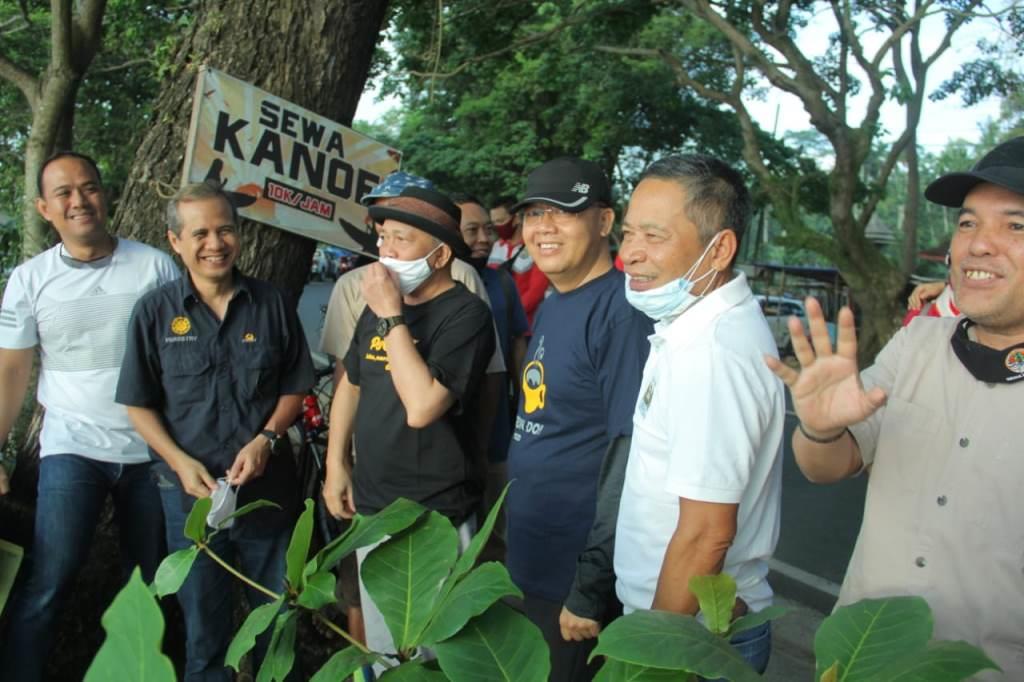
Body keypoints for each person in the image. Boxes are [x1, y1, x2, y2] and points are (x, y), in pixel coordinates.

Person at [765, 136, 1024, 680]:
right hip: (858, 659)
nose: (979, 244)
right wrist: (820, 428)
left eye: (1015, 226)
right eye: (968, 223)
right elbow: (827, 465)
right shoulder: (916, 345)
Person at [116, 181, 314, 681]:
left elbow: (295, 385)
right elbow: (138, 404)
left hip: (268, 494)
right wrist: (178, 461)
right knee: (204, 636)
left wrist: (267, 438)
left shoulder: (272, 304)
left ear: (238, 234)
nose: (215, 243)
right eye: (199, 233)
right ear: (175, 241)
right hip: (191, 501)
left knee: (279, 626)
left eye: (225, 230)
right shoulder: (154, 312)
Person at [0, 151, 178, 681]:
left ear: (106, 194)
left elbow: (182, 360)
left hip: (151, 451)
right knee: (49, 579)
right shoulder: (29, 279)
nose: (79, 201)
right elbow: (11, 371)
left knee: (150, 585)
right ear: (44, 208)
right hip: (71, 448)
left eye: (90, 187)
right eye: (64, 193)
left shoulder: (154, 267)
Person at [614, 155, 784, 674]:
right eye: (628, 233)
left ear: (720, 249)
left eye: (653, 236)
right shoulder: (691, 329)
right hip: (684, 624)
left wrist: (652, 662)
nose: (629, 254)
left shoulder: (711, 351)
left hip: (692, 637)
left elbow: (706, 534)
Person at [322, 186, 495, 669]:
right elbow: (352, 384)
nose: (386, 252)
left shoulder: (466, 315)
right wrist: (337, 463)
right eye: (383, 239)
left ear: (439, 255)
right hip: (374, 506)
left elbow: (422, 406)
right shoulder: (378, 308)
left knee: (434, 656)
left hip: (433, 515)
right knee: (388, 652)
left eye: (401, 239)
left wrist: (391, 315)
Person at [504, 157, 653, 681]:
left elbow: (629, 452)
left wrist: (589, 586)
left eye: (563, 211)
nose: (543, 227)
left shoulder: (622, 313)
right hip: (534, 560)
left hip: (575, 583)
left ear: (605, 221)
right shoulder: (554, 302)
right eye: (533, 213)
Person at [452, 192, 529, 545]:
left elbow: (516, 345)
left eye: (488, 229)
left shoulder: (502, 282)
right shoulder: (430, 285)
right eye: (472, 230)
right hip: (450, 438)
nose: (484, 239)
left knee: (499, 529)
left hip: (497, 432)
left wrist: (528, 405)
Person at [487, 195, 550, 327]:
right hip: (498, 323)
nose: (497, 226)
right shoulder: (496, 246)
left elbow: (535, 292)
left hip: (527, 326)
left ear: (516, 218)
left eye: (501, 221)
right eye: (494, 222)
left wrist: (510, 314)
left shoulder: (535, 247)